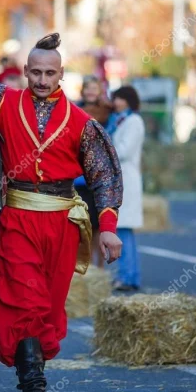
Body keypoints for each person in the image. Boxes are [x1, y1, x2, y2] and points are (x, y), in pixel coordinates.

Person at [0, 33, 123, 392]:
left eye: (49, 73)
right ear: (24, 71)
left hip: (61, 226)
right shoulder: (2, 102)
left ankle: (34, 385)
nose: (41, 79)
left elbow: (103, 176)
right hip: (16, 219)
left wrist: (108, 230)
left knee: (48, 315)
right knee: (27, 307)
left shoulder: (83, 123)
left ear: (62, 74)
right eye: (34, 71)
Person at [106, 85, 145, 292]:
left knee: (123, 231)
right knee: (123, 230)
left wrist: (106, 150)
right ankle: (128, 275)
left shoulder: (133, 121)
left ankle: (128, 277)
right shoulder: (121, 120)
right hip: (121, 180)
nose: (116, 103)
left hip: (126, 181)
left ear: (129, 100)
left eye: (119, 99)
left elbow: (124, 151)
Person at [74, 75, 113, 267]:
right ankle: (83, 267)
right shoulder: (73, 110)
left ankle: (99, 269)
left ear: (100, 91)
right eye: (87, 88)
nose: (90, 92)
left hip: (98, 176)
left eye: (94, 88)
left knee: (99, 226)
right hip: (78, 177)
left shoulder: (107, 113)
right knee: (81, 224)